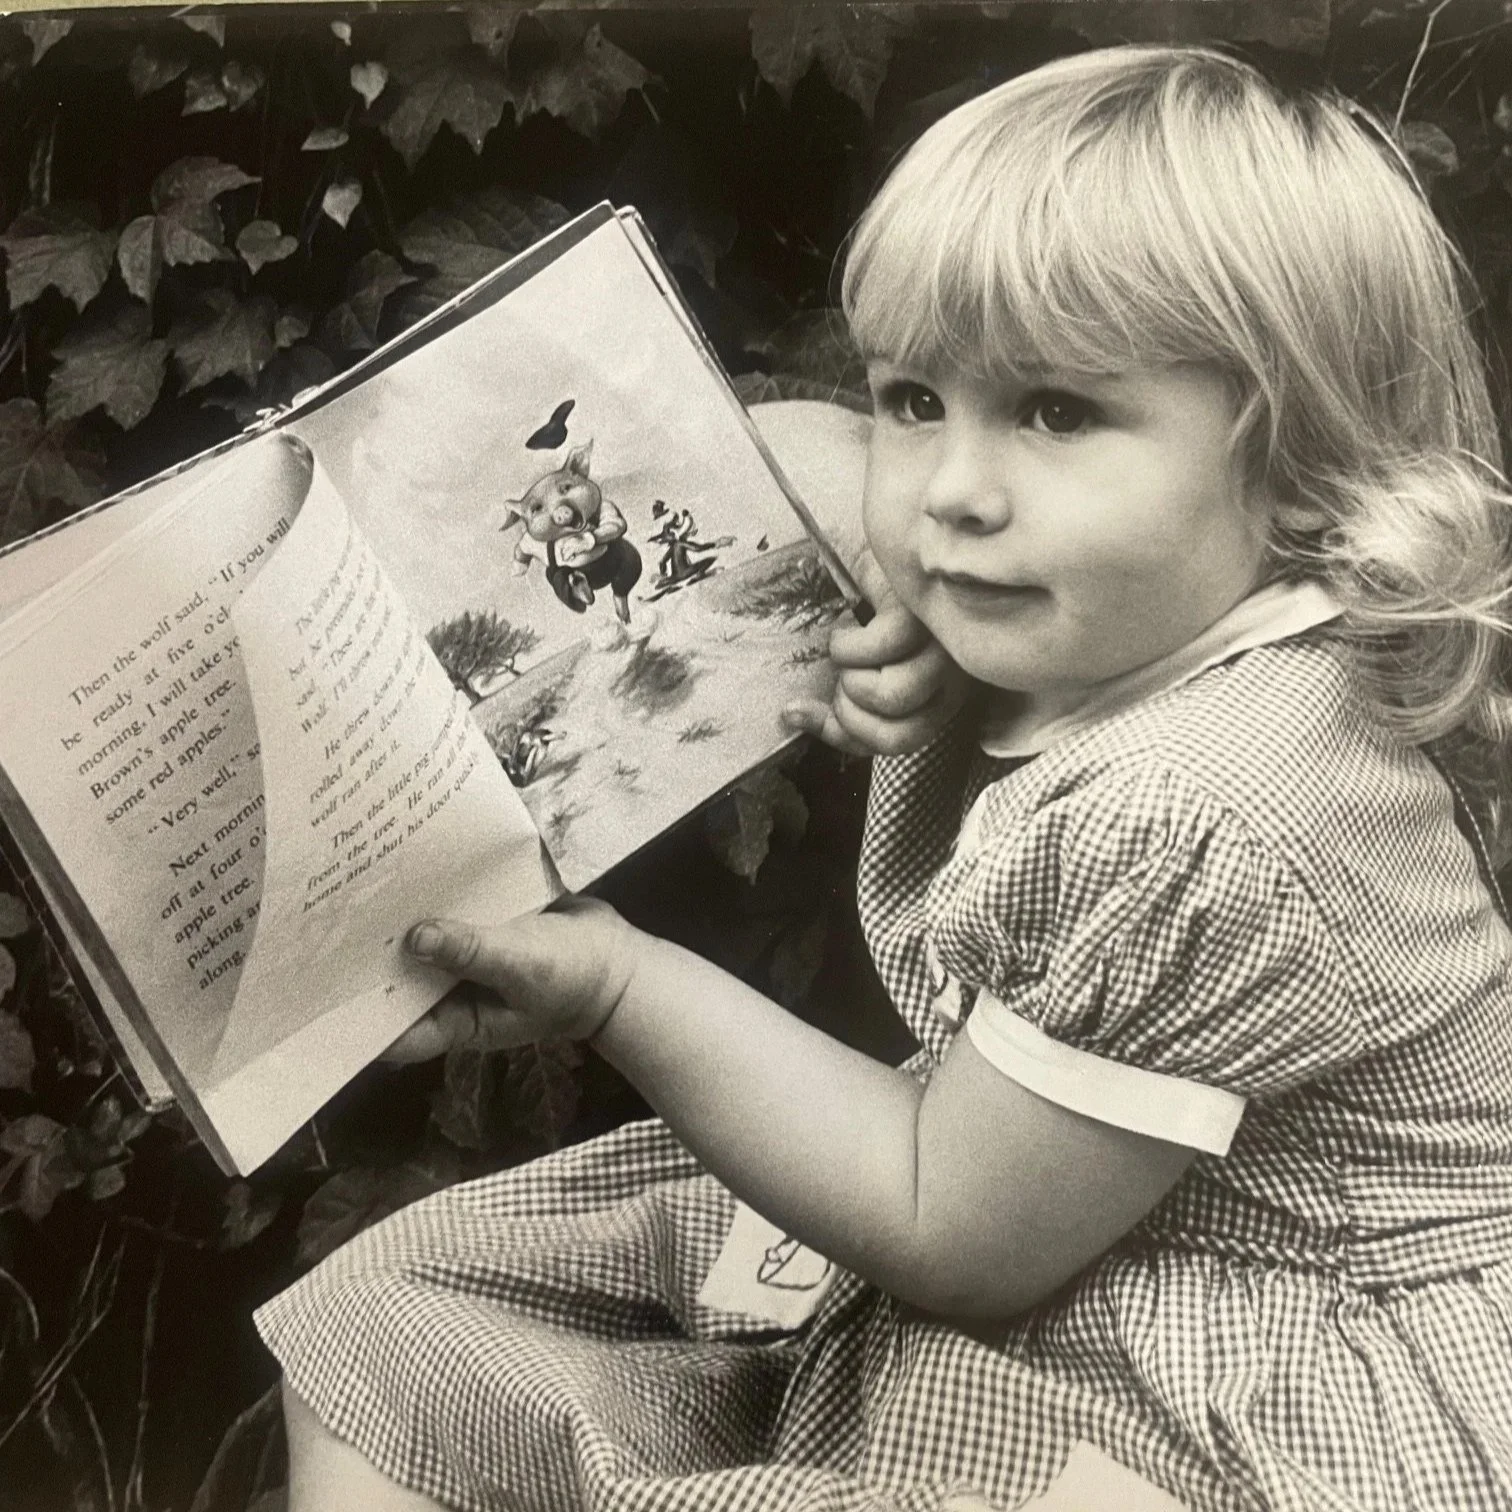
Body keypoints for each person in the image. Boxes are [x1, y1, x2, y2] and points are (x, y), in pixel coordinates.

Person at [256, 45, 1512, 1511]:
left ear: (1301, 461)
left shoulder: (1204, 808)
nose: (952, 494)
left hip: (1255, 1365)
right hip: (1073, 1210)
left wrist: (615, 991)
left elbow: (945, 1226)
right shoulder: (1153, 604)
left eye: (1055, 412)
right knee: (401, 1307)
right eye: (919, 397)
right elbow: (794, 449)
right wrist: (885, 496)